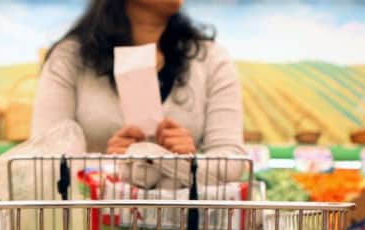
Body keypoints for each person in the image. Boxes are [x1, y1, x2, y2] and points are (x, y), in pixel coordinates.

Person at [32, 0, 245, 169]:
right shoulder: (69, 58)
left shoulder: (211, 58)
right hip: (94, 221)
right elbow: (43, 160)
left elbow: (233, 160)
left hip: (181, 220)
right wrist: (107, 165)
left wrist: (188, 163)